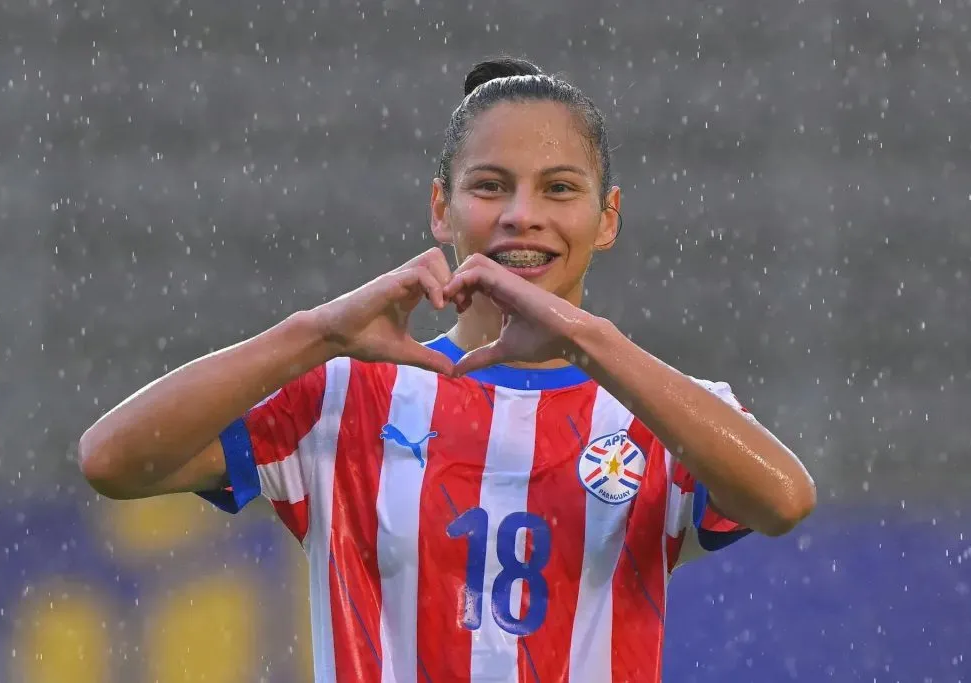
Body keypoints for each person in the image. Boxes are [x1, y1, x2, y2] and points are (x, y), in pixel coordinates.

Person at [79, 57, 816, 683]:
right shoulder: (347, 392)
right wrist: (317, 331)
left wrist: (588, 341)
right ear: (442, 208)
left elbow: (784, 498)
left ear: (609, 217)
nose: (522, 215)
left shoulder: (661, 412)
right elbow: (112, 460)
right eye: (490, 186)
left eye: (559, 188)